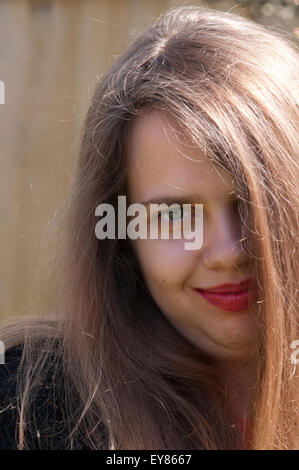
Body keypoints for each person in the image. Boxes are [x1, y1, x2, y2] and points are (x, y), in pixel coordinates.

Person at [0, 5, 298, 450]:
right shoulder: (26, 411)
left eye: (255, 203)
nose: (228, 250)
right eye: (175, 214)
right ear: (122, 239)